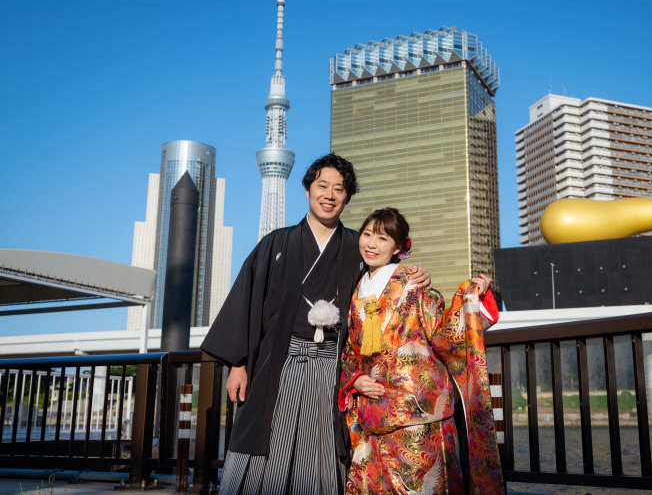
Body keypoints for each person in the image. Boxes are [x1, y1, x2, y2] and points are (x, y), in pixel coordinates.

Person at [201, 154, 430, 495]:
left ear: (347, 198)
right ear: (307, 189)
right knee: (264, 444)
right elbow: (245, 302)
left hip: (332, 369)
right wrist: (238, 363)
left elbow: (384, 283)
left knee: (322, 450)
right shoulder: (276, 244)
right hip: (279, 364)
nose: (330, 194)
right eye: (322, 186)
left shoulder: (357, 246)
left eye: (339, 189)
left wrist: (414, 275)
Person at [339, 208, 504, 495]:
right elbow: (350, 353)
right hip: (372, 414)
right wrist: (355, 380)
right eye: (366, 235)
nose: (371, 244)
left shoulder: (414, 284)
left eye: (382, 238)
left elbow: (444, 335)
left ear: (400, 247)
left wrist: (471, 298)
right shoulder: (356, 292)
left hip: (419, 412)